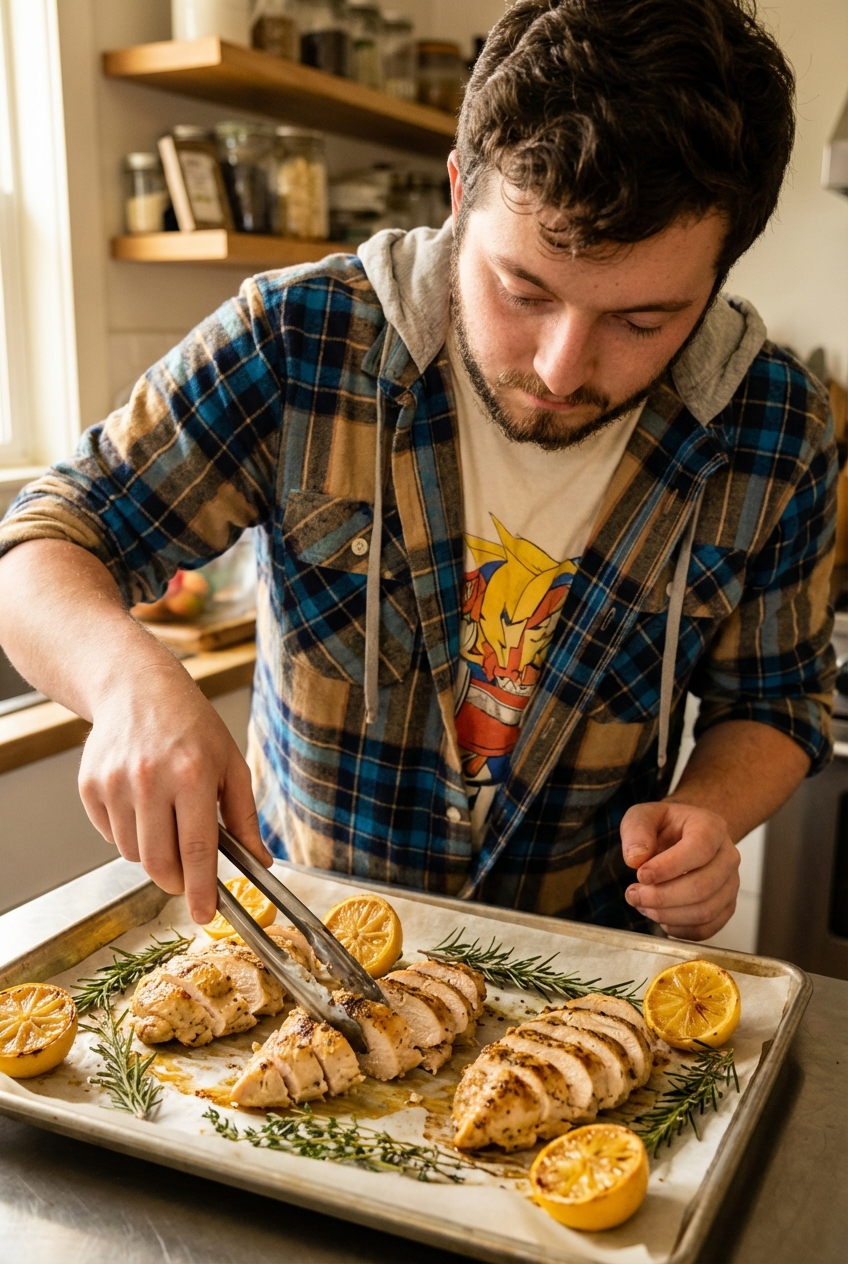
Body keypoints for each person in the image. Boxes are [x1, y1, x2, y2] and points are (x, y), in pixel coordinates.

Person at [0, 0, 836, 941]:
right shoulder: (298, 342)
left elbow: (776, 700)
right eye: (524, 289)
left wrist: (712, 813)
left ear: (721, 273)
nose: (561, 368)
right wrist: (127, 686)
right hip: (311, 941)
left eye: (642, 322)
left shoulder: (775, 426)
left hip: (581, 965)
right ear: (458, 193)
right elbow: (46, 540)